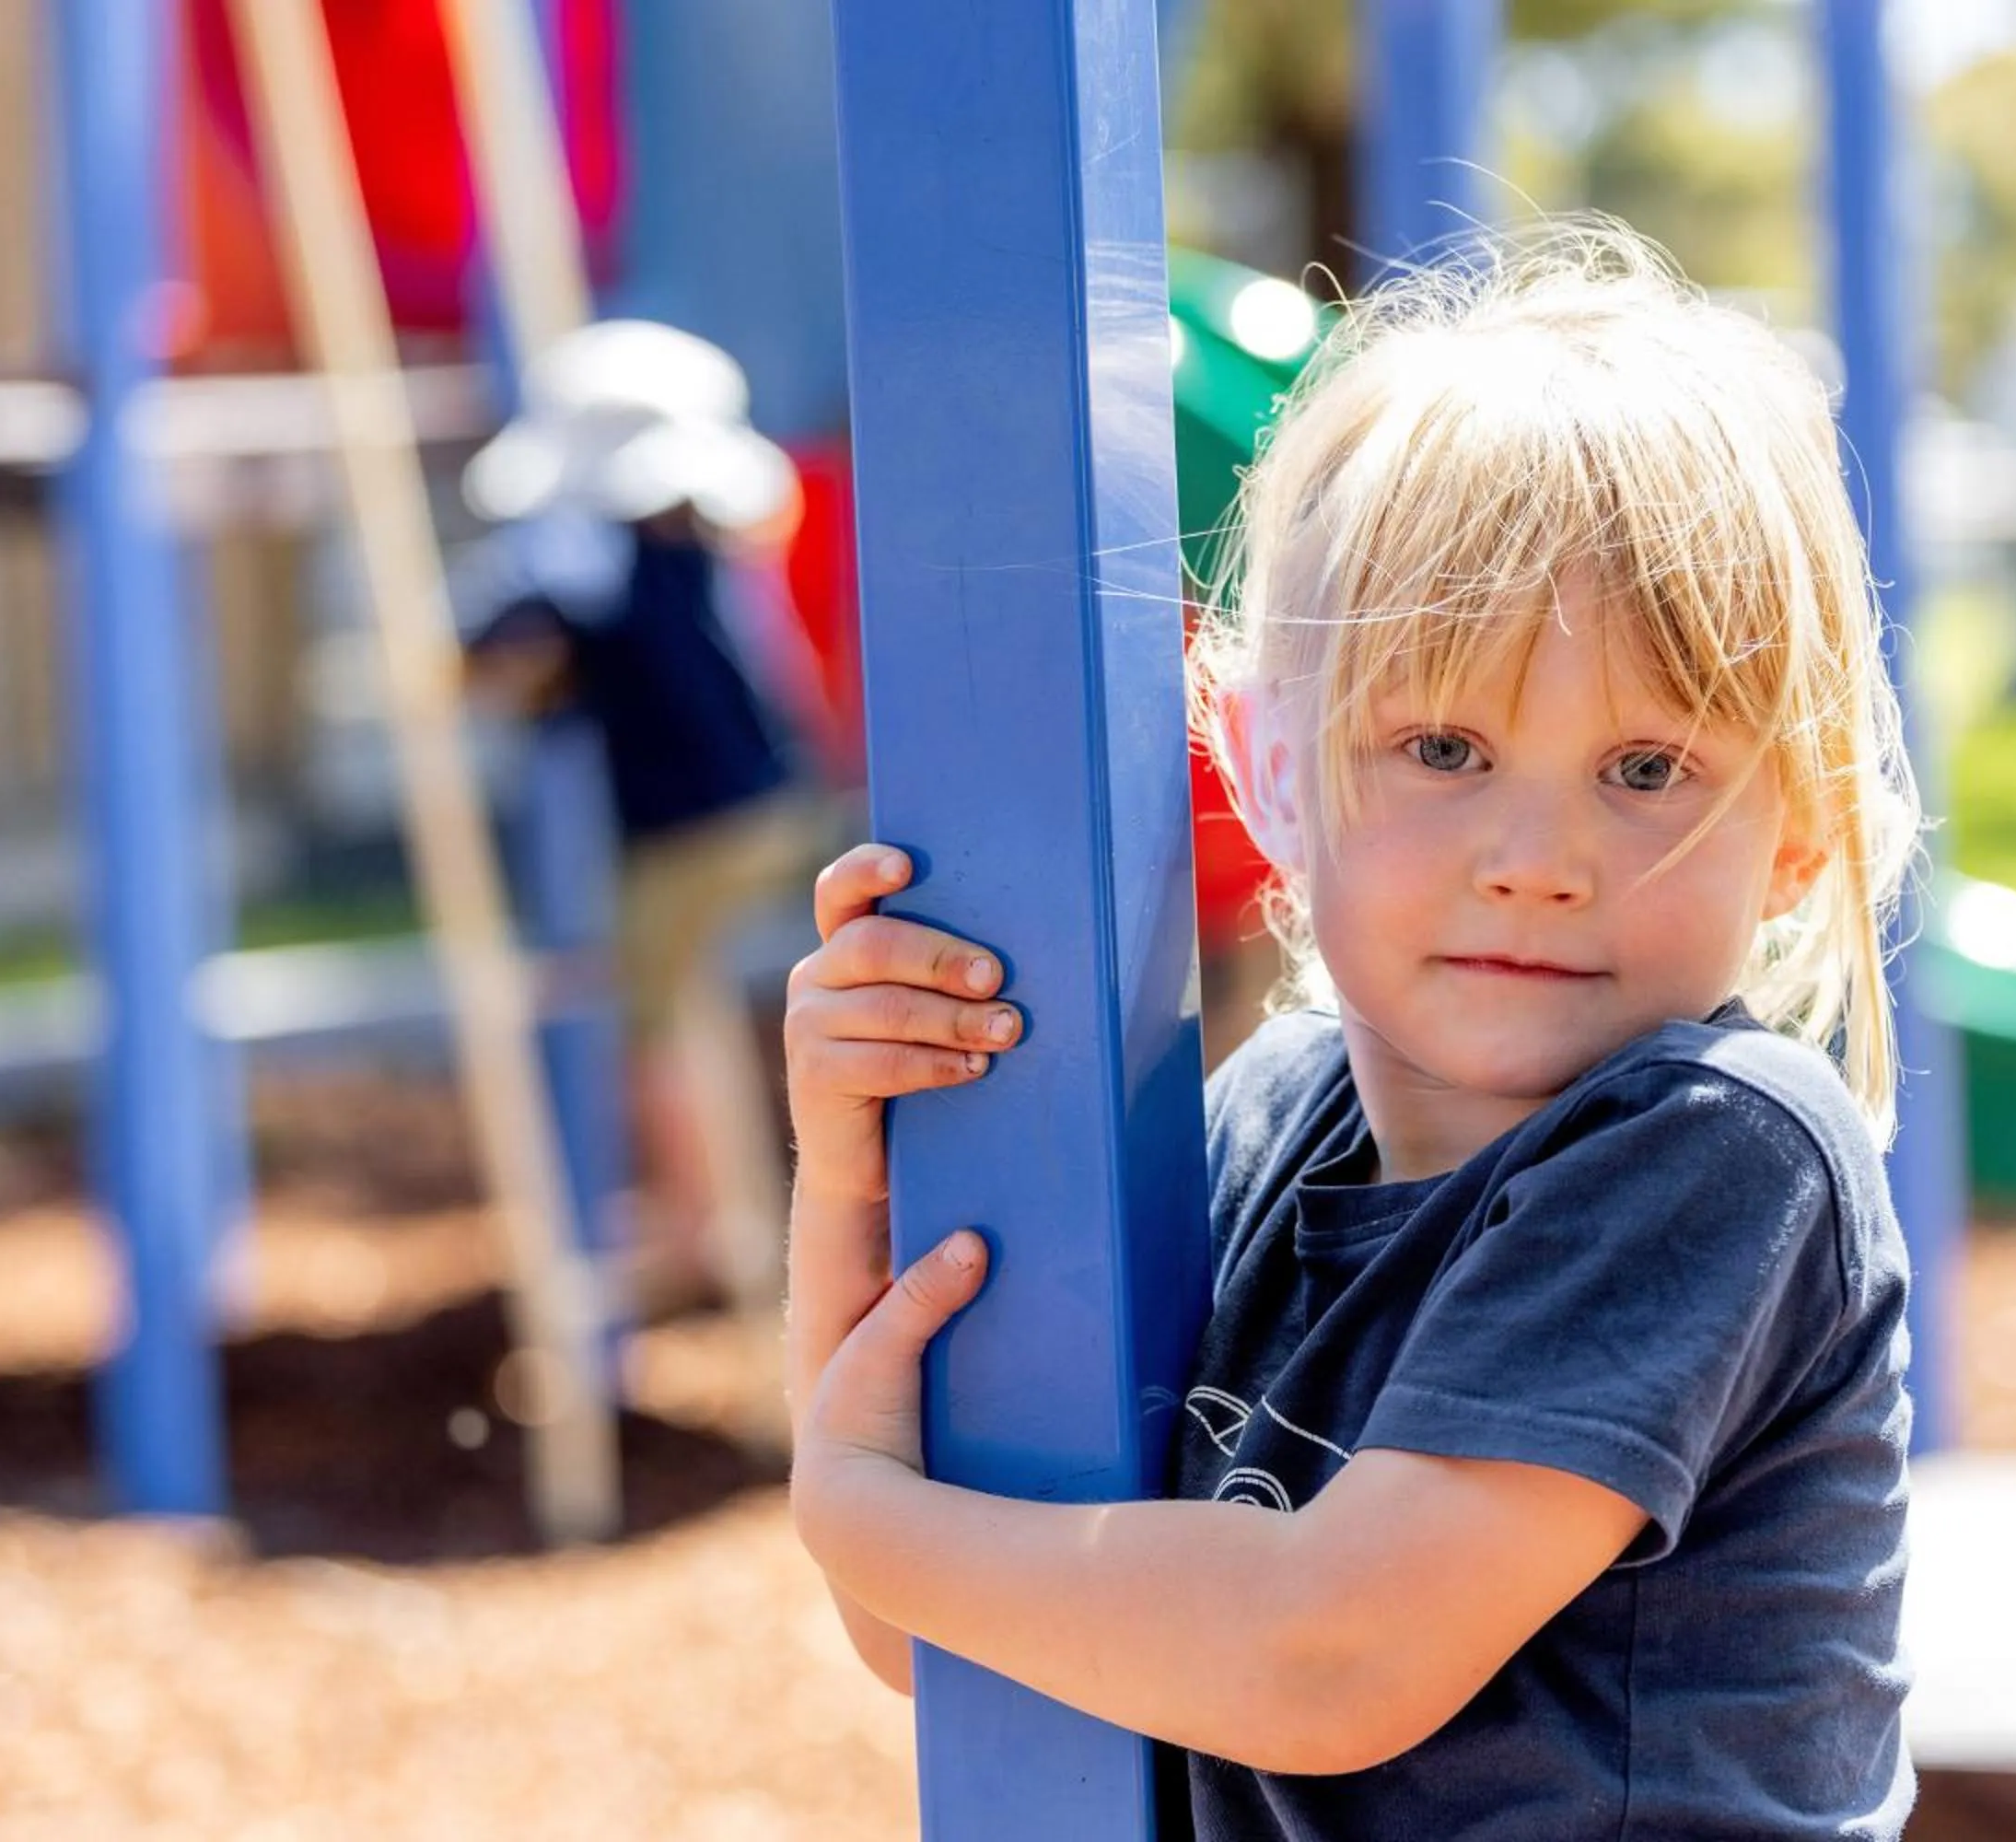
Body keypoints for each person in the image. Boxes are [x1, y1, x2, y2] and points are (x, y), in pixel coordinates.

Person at [780, 221, 1921, 1839]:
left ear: (1797, 823)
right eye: (1444, 747)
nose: (1535, 860)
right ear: (1266, 768)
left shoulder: (1715, 1150)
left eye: (1648, 768)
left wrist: (861, 1518)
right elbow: (942, 1630)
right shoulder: (1258, 1126)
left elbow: (1329, 1659)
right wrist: (848, 1192)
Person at [459, 319, 831, 1314]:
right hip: (756, 795)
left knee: (651, 1020)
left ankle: (699, 1228)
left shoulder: (593, 558)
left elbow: (517, 650)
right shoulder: (694, 545)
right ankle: (707, 1210)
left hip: (695, 818)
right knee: (672, 989)